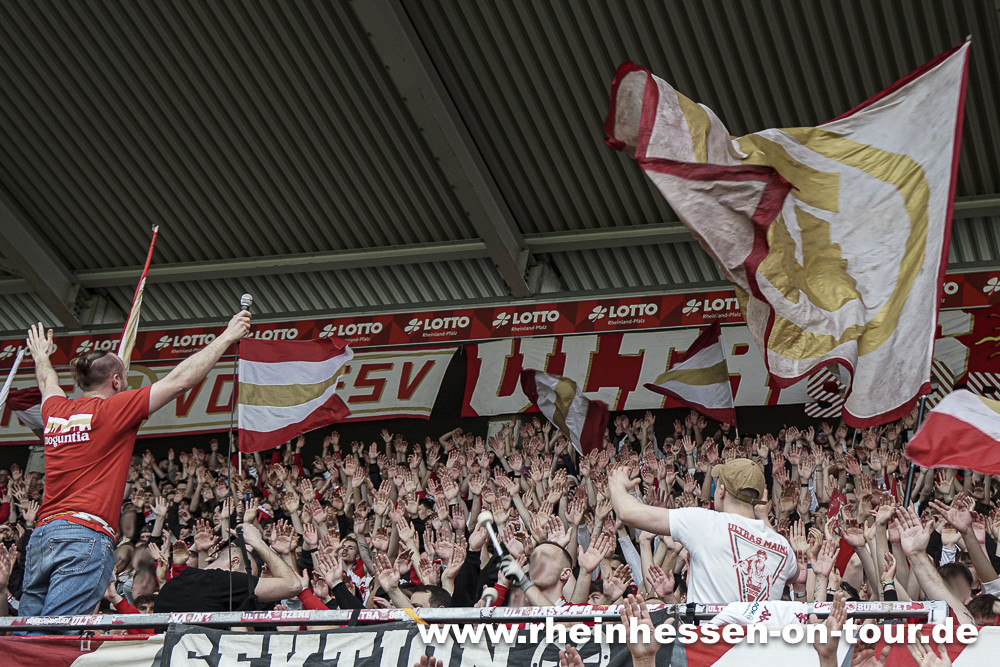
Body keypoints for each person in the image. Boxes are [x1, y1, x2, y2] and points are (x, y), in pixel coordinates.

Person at [18, 311, 251, 619]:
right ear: (116, 381)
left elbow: (47, 380)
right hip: (84, 534)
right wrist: (227, 336)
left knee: (25, 631)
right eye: (124, 378)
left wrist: (41, 356)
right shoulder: (112, 410)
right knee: (56, 633)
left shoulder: (56, 411)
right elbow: (180, 381)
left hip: (44, 535)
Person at [609, 458, 798, 603]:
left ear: (721, 491)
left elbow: (627, 512)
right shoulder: (781, 546)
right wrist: (763, 518)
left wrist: (616, 484)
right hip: (762, 647)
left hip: (709, 649)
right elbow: (796, 576)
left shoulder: (704, 521)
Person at [154, 522, 301, 612]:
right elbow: (292, 585)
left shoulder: (170, 586)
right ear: (234, 562)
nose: (248, 583)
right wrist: (257, 542)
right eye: (249, 575)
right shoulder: (226, 581)